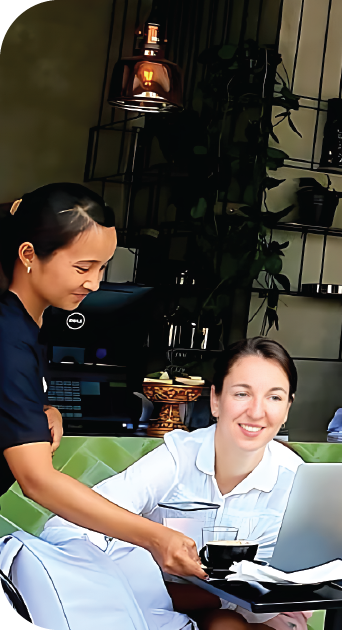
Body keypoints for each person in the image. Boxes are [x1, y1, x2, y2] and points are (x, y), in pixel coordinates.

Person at [0, 183, 204, 579]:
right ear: (28, 255)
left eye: (102, 268)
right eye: (83, 268)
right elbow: (37, 480)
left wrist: (41, 407)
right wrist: (154, 537)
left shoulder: (28, 325)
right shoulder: (8, 337)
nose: (94, 283)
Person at [46, 337, 309, 630]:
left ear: (287, 408)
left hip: (259, 614)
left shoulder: (297, 480)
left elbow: (306, 578)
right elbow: (66, 526)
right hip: (162, 609)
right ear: (215, 400)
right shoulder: (177, 458)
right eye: (241, 394)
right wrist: (145, 547)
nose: (257, 411)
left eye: (274, 397)